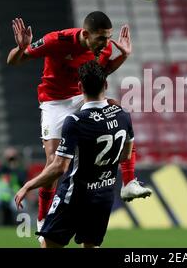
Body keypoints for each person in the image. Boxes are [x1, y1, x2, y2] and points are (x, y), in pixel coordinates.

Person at [6, 12, 151, 236]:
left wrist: (124, 56)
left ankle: (129, 182)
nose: (106, 43)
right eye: (101, 38)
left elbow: (100, 73)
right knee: (54, 161)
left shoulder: (104, 49)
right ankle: (44, 217)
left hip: (81, 97)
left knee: (118, 114)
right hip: (54, 102)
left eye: (108, 37)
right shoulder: (57, 41)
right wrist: (21, 48)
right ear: (85, 34)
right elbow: (14, 61)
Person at [15, 60, 135, 248]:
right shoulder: (123, 114)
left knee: (49, 244)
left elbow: (59, 167)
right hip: (104, 195)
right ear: (106, 85)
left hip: (75, 196)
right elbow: (126, 155)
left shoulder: (76, 120)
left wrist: (28, 186)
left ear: (79, 87)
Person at [0, 147, 27, 226]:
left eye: (13, 158)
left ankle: (21, 227)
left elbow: (22, 180)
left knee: (21, 207)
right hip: (0, 194)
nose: (11, 160)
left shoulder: (21, 170)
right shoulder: (1, 168)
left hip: (14, 195)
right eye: (9, 158)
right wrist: (5, 163)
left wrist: (14, 167)